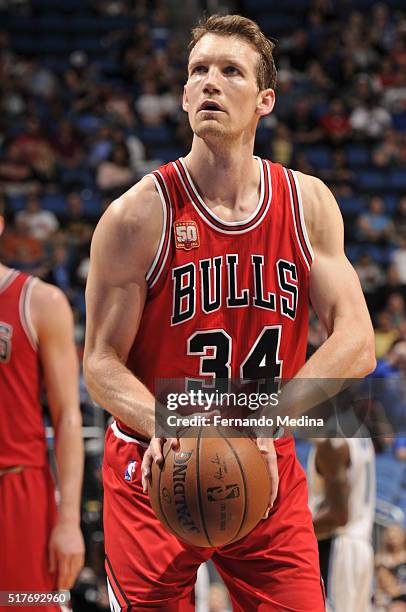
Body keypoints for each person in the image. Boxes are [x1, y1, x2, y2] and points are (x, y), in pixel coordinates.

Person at [84, 14, 375, 611]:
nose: (211, 82)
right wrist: (165, 419)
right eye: (199, 72)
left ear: (265, 99)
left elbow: (358, 341)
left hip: (263, 457)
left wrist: (268, 418)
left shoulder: (308, 204)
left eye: (230, 71)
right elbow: (100, 363)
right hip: (156, 463)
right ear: (185, 95)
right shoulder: (136, 216)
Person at [0, 211, 85, 609]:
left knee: (26, 604)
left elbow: (68, 416)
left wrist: (68, 521)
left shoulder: (41, 301)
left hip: (18, 491)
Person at [308, 437, 376, 611]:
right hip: (360, 546)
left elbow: (338, 515)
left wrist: (292, 530)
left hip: (338, 549)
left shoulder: (332, 442)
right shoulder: (360, 436)